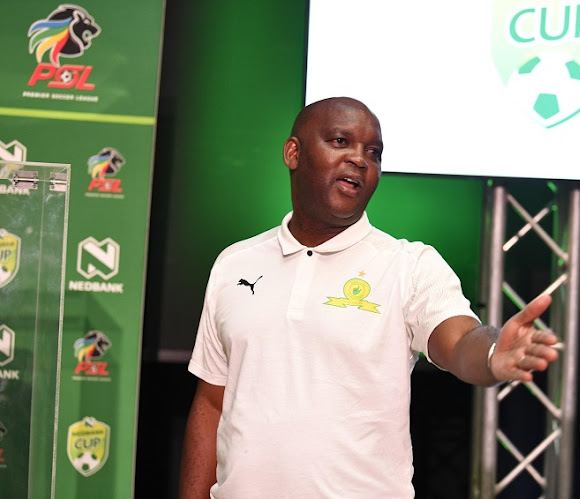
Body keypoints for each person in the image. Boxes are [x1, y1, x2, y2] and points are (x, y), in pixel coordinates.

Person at [179, 97, 559, 498]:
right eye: (341, 141)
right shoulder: (235, 263)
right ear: (294, 152)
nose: (360, 159)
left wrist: (491, 351)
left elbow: (460, 340)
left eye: (373, 152)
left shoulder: (409, 265)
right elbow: (211, 403)